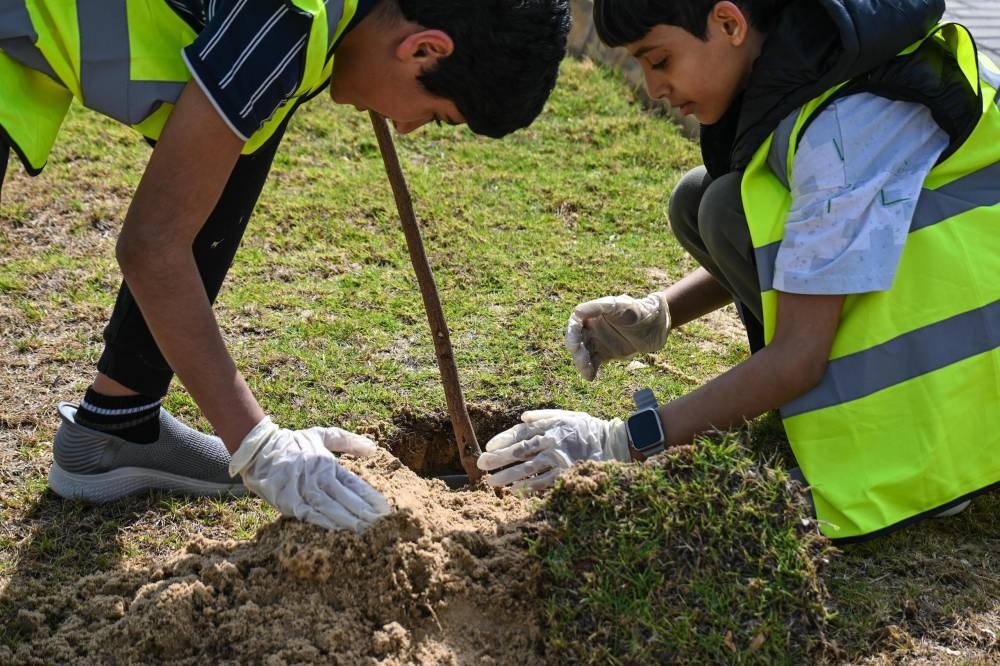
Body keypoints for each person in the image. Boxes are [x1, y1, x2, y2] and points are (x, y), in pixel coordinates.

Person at [0, 0, 570, 531]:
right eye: (437, 116)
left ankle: (119, 422)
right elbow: (151, 246)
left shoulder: (323, 24)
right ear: (424, 49)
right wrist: (257, 444)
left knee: (250, 121)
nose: (406, 127)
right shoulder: (287, 19)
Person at [478, 0, 1000, 543]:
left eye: (659, 60)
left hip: (973, 382)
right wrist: (662, 313)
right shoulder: (814, 63)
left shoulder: (848, 126)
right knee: (708, 201)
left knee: (723, 207)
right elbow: (810, 249)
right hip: (951, 279)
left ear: (729, 23)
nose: (653, 88)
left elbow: (798, 357)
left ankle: (914, 442)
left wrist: (623, 441)